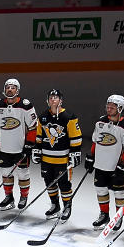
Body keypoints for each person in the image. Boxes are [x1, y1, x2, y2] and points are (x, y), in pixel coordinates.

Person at [85, 94, 124, 229]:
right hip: (101, 165)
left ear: (120, 108)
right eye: (108, 106)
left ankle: (118, 217)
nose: (108, 108)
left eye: (112, 107)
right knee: (100, 190)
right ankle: (104, 215)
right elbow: (96, 141)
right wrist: (91, 157)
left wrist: (123, 164)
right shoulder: (100, 122)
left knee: (120, 193)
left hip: (117, 167)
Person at [0, 79, 38, 211]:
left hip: (20, 148)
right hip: (4, 148)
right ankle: (9, 197)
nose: (10, 89)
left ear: (18, 90)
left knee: (23, 174)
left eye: (13, 87)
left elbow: (33, 126)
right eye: (7, 87)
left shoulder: (26, 105)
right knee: (6, 173)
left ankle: (24, 196)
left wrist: (29, 144)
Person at [34, 88, 81, 221]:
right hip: (46, 159)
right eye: (51, 97)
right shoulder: (43, 116)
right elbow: (39, 135)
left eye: (56, 97)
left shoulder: (69, 116)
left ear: (61, 100)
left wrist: (75, 153)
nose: (53, 99)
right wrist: (36, 150)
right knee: (49, 183)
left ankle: (67, 207)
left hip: (62, 159)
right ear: (47, 100)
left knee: (64, 184)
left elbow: (76, 137)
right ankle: (55, 205)